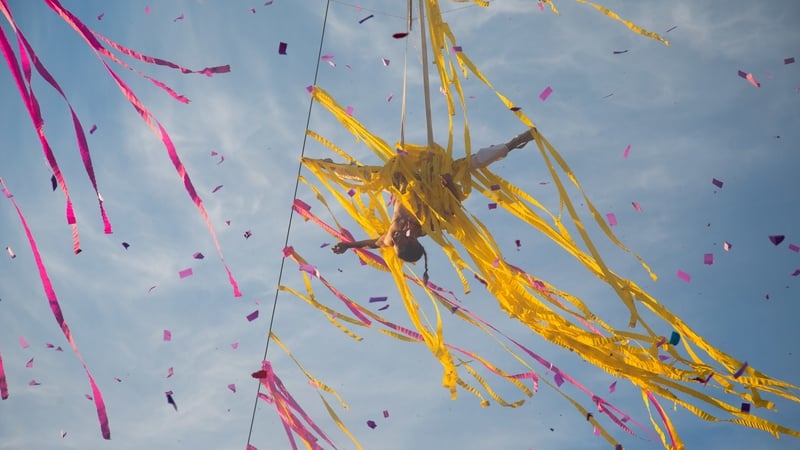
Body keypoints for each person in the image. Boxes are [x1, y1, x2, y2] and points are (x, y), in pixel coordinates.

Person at [320, 128, 536, 276]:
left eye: (394, 243)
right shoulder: (428, 227)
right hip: (434, 179)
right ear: (414, 242)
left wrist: (348, 246)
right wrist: (449, 184)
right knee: (472, 163)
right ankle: (514, 143)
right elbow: (454, 205)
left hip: (404, 179)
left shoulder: (389, 239)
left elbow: (372, 244)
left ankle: (328, 166)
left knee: (367, 176)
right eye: (401, 242)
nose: (395, 239)